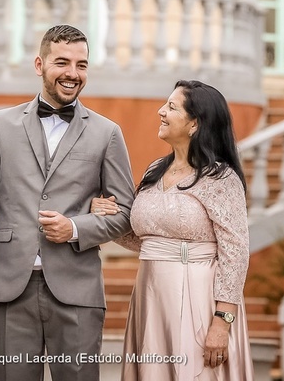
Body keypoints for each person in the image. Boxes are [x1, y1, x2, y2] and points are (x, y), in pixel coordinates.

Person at [0, 23, 136, 381]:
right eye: (62, 63)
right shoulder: (0, 125)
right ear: (39, 65)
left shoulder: (107, 132)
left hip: (78, 289)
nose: (72, 73)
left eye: (81, 65)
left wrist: (75, 228)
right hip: (9, 288)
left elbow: (127, 214)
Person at [91, 80, 252, 380]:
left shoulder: (220, 179)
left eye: (171, 107)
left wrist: (222, 320)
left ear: (194, 124)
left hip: (200, 297)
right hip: (150, 294)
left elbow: (236, 251)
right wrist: (106, 218)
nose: (160, 111)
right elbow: (147, 239)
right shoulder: (155, 171)